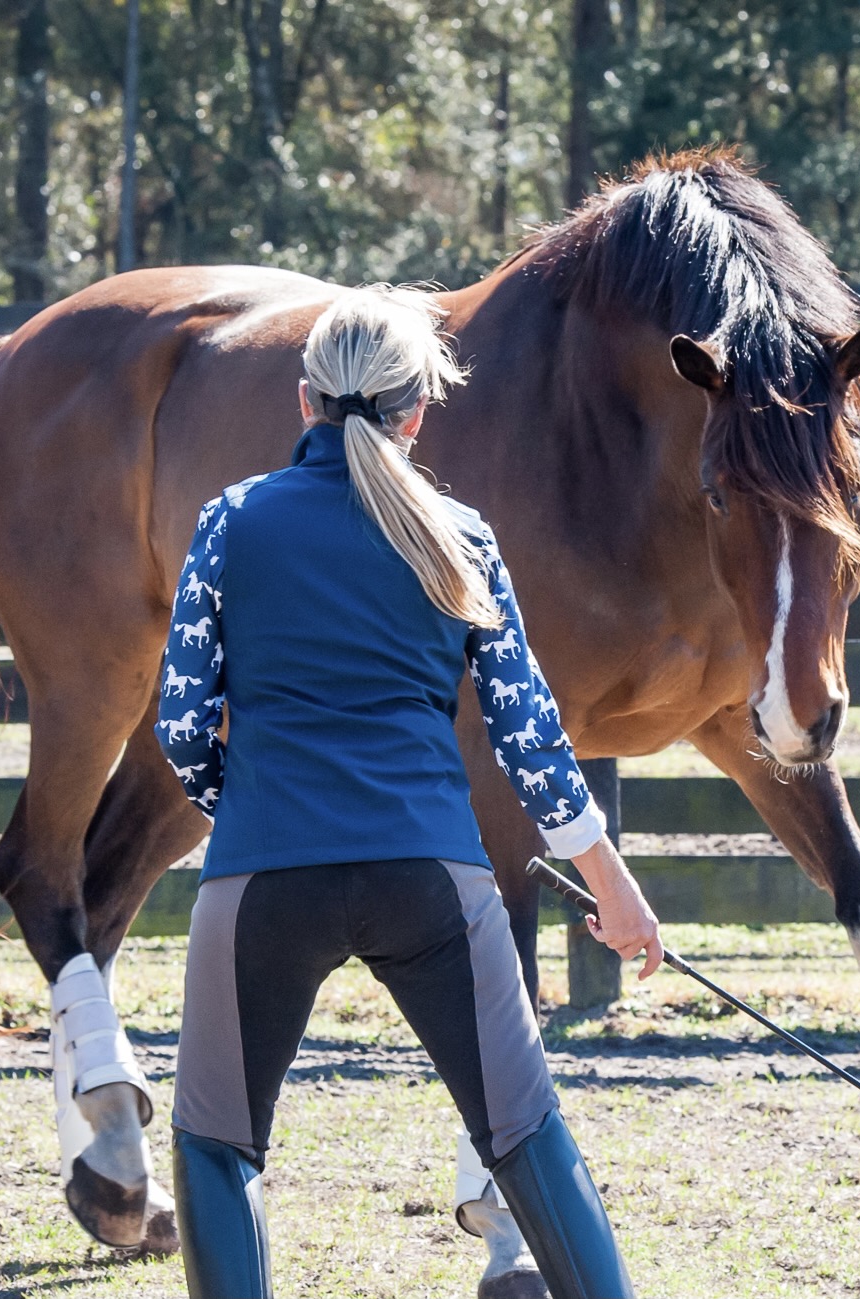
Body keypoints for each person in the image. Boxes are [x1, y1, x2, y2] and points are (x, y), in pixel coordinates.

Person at [156, 285, 663, 1299]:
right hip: (431, 878)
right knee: (526, 1137)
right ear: (418, 411)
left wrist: (247, 807)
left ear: (303, 401)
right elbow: (530, 738)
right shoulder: (460, 538)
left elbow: (179, 727)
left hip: (261, 874)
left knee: (217, 1148)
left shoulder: (228, 523)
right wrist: (612, 886)